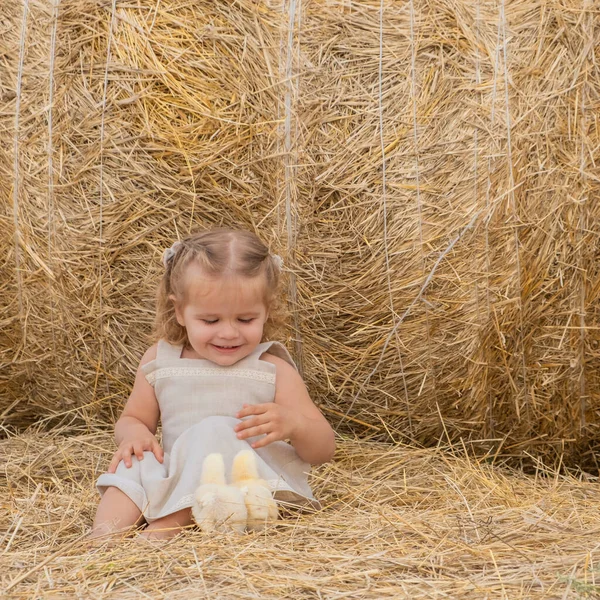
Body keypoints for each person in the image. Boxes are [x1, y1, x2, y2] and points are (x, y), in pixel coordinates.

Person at [91, 228, 336, 540]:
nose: (229, 333)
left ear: (266, 312)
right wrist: (136, 435)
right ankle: (103, 538)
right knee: (135, 461)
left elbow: (323, 449)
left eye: (245, 320)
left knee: (214, 429)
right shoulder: (161, 361)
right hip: (177, 471)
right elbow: (133, 418)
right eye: (210, 321)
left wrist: (295, 425)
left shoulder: (271, 368)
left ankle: (171, 523)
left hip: (240, 483)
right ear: (179, 310)